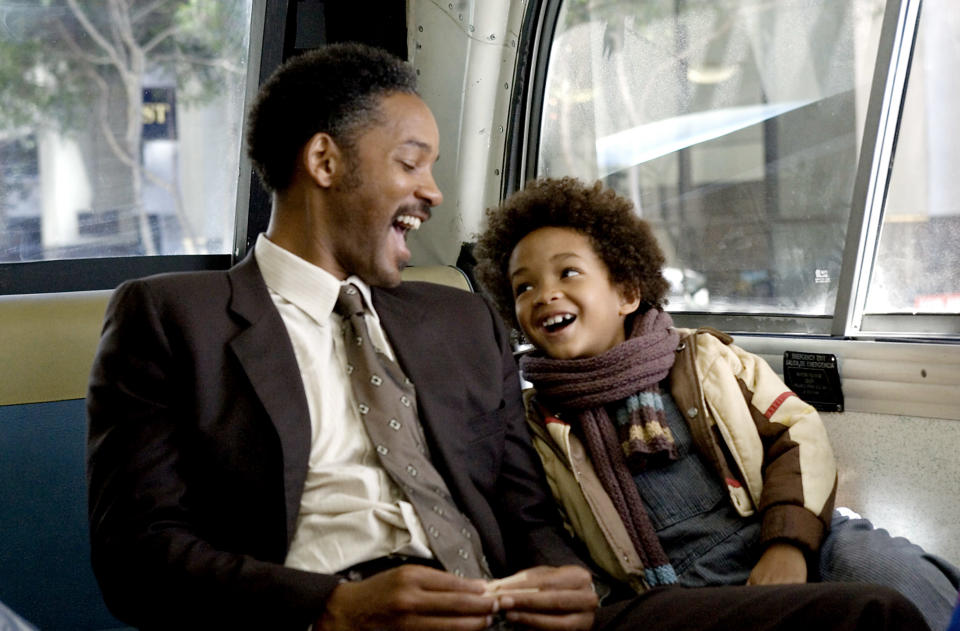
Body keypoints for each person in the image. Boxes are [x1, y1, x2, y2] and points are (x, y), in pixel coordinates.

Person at [86, 44, 929, 631]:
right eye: (412, 161)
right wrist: (329, 608)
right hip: (333, 618)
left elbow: (526, 508)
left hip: (512, 617)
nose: (435, 192)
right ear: (325, 160)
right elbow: (139, 557)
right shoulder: (169, 316)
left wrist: (562, 582)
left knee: (870, 615)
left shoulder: (456, 320)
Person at [473, 176, 960, 631]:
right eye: (524, 286)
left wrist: (788, 544)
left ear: (625, 292)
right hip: (678, 589)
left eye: (568, 272)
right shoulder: (539, 423)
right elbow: (553, 534)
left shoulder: (703, 359)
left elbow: (798, 434)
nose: (545, 294)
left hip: (781, 531)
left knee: (879, 567)